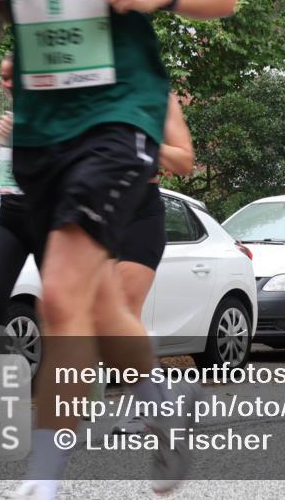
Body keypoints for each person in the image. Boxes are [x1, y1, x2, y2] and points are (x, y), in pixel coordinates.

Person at [0, 0, 237, 497]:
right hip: (38, 132)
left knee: (61, 296)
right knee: (106, 302)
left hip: (120, 119)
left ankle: (45, 476)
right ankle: (162, 401)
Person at [111, 92, 193, 435]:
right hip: (95, 212)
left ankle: (152, 408)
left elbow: (184, 162)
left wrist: (142, 141)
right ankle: (163, 402)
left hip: (140, 213)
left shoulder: (160, 99)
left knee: (124, 314)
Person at [0, 54, 37, 349]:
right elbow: (15, 169)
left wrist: (20, 135)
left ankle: (82, 380)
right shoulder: (9, 115)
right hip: (9, 216)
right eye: (2, 77)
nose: (6, 83)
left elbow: (54, 166)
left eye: (12, 76)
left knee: (63, 309)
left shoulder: (48, 111)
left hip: (45, 216)